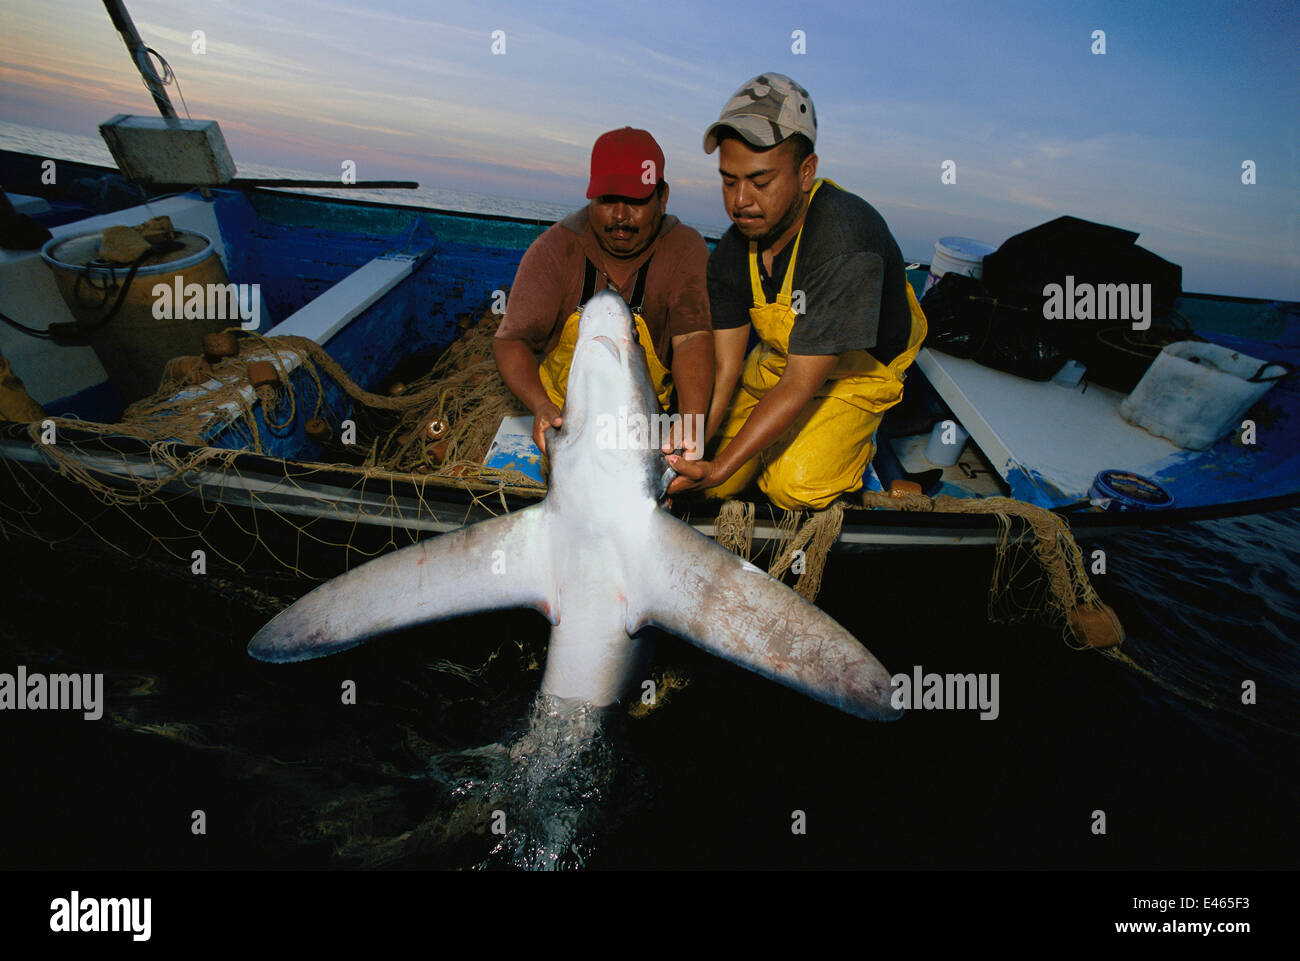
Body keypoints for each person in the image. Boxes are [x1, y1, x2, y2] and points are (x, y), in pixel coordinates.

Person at [668, 73, 928, 510]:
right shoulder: (734, 249)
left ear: (806, 172)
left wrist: (723, 464)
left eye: (761, 181)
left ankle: (862, 453)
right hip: (783, 358)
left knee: (791, 486)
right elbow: (726, 368)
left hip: (853, 372)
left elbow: (799, 384)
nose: (740, 201)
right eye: (729, 181)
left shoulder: (845, 242)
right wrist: (694, 448)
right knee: (711, 484)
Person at [494, 127, 713, 457]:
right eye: (608, 200)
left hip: (647, 425)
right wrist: (540, 405)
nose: (621, 216)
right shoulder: (555, 248)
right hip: (562, 419)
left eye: (636, 201)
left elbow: (693, 340)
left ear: (662, 197)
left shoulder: (685, 250)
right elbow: (511, 340)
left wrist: (691, 421)